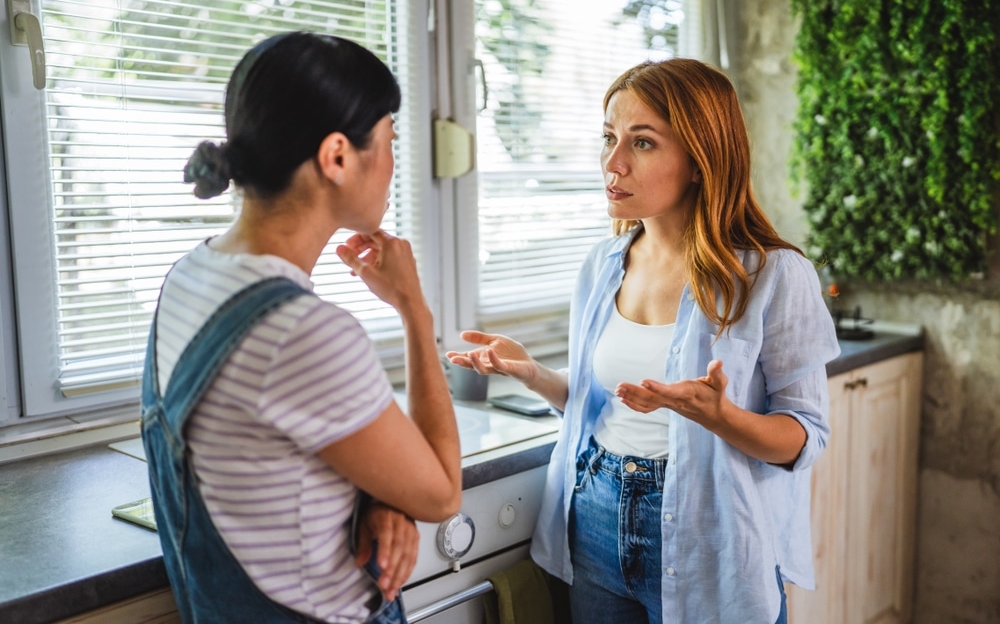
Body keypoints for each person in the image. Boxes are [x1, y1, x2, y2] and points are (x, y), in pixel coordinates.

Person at [446, 58, 840, 623]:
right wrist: (532, 374)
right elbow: (598, 403)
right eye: (609, 138)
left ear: (701, 160)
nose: (613, 162)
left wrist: (720, 416)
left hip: (712, 539)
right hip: (596, 521)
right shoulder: (604, 263)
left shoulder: (771, 275)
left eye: (643, 142)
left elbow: (806, 438)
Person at [140, 32, 462, 624]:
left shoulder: (190, 276)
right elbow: (442, 494)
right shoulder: (302, 331)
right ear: (337, 156)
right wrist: (415, 312)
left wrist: (377, 494)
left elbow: (271, 450)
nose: (394, 163)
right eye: (390, 140)